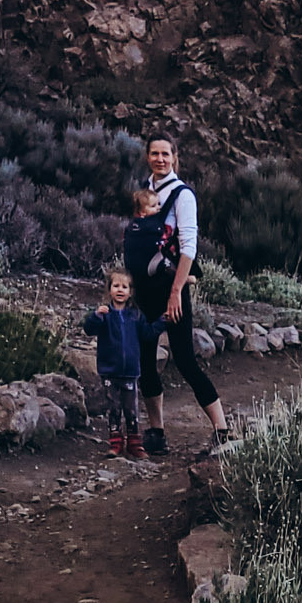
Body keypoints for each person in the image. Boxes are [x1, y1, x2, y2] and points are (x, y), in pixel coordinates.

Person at [125, 132, 227, 459]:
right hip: (145, 289)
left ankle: (222, 429)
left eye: (165, 154)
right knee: (146, 360)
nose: (159, 159)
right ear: (147, 157)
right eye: (154, 153)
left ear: (174, 157)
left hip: (172, 289)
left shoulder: (183, 196)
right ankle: (156, 432)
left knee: (185, 360)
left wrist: (176, 293)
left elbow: (188, 247)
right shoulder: (145, 190)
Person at [80, 258, 163, 454]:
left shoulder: (135, 315)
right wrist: (95, 317)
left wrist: (162, 321)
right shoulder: (104, 314)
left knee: (131, 409)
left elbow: (148, 334)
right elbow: (89, 330)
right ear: (109, 289)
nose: (120, 290)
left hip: (131, 372)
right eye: (116, 286)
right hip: (110, 371)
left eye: (124, 287)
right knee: (114, 408)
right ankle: (115, 443)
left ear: (130, 292)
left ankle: (134, 443)